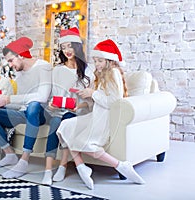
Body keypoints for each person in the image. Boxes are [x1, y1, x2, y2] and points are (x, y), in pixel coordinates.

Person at [56, 39, 145, 189]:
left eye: (100, 61)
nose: (96, 64)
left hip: (105, 118)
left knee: (88, 144)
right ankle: (81, 167)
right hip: (96, 114)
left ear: (109, 60)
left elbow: (114, 101)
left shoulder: (114, 73)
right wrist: (83, 101)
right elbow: (97, 100)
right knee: (65, 126)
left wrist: (93, 93)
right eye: (95, 61)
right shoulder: (101, 74)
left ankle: (121, 166)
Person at [0, 37, 52, 179]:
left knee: (34, 105)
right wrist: (1, 102)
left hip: (42, 113)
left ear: (21, 55)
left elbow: (42, 97)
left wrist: (9, 99)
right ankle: (10, 154)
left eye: (11, 60)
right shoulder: (20, 73)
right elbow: (19, 101)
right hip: (24, 113)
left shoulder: (43, 66)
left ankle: (24, 161)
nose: (10, 64)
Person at [41, 27, 94, 185]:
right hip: (59, 111)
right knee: (57, 122)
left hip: (79, 112)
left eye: (70, 46)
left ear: (77, 47)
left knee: (65, 121)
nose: (67, 51)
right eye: (63, 48)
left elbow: (92, 100)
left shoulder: (88, 70)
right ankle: (47, 171)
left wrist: (78, 106)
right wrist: (51, 104)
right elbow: (52, 96)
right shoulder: (57, 70)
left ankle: (62, 166)